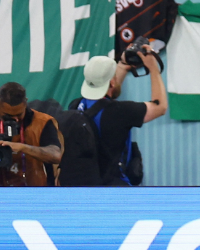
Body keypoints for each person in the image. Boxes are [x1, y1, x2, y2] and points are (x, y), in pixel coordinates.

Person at [66, 49, 168, 187]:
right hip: (115, 189)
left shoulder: (75, 106)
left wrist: (122, 65)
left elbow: (105, 98)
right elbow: (160, 107)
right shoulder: (121, 111)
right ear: (112, 82)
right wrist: (153, 68)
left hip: (85, 186)